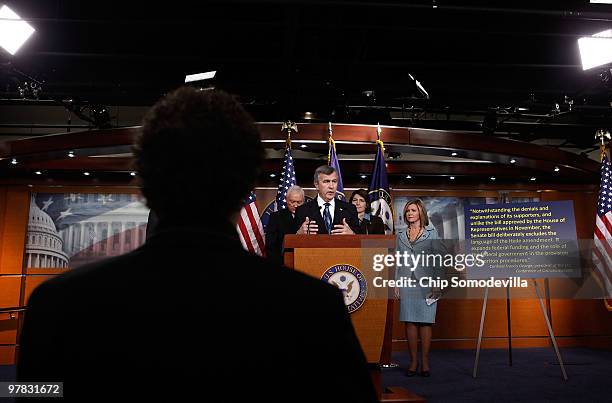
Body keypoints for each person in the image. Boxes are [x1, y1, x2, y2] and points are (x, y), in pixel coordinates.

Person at [17, 87, 378, 402]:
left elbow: (32, 393)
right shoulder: (314, 310)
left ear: (143, 184)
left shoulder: (59, 306)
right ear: (244, 190)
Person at [394, 198, 444, 378]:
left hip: (427, 282)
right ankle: (413, 362)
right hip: (407, 281)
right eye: (407, 211)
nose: (409, 213)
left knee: (425, 322)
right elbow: (397, 261)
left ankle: (425, 362)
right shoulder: (400, 235)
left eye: (413, 210)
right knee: (410, 322)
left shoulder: (431, 232)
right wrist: (397, 282)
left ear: (420, 212)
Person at [295, 165, 359, 235]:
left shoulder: (350, 209)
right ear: (316, 185)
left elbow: (362, 242)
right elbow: (289, 243)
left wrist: (352, 234)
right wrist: (299, 234)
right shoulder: (302, 211)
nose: (331, 186)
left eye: (334, 181)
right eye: (326, 181)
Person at [265, 185, 304, 265]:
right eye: (292, 201)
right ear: (286, 200)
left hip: (305, 261)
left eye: (298, 202)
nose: (295, 205)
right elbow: (270, 245)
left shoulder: (309, 217)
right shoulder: (276, 217)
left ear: (303, 201)